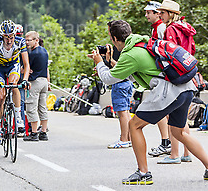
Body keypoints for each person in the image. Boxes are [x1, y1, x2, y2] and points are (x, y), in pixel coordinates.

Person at [89, 20, 208, 185]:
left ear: (114, 38)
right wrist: (107, 65)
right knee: (179, 132)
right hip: (186, 88)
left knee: (134, 125)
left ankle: (143, 172)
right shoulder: (143, 44)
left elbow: (109, 79)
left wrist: (99, 63)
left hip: (170, 92)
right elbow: (134, 73)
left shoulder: (130, 54)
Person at [157, 0, 196, 164]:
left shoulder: (171, 29)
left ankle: (174, 154)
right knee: (182, 116)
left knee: (172, 115)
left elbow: (169, 52)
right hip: (188, 72)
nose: (160, 15)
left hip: (176, 74)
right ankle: (186, 153)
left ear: (170, 13)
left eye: (163, 12)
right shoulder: (184, 28)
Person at [0, 20, 30, 146]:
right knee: (0, 97)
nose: (9, 41)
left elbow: (26, 64)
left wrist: (25, 80)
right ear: (2, 36)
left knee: (14, 85)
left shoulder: (20, 41)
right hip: (0, 67)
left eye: (11, 37)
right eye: (6, 38)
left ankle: (18, 118)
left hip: (13, 65)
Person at [99, 21, 133, 149]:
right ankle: (128, 138)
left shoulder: (119, 47)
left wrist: (106, 62)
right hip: (126, 83)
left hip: (121, 83)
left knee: (122, 112)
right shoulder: (125, 47)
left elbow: (119, 67)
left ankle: (124, 139)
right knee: (126, 111)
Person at [143, 1, 171, 157]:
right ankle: (169, 144)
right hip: (162, 73)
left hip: (163, 74)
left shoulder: (161, 28)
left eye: (149, 13)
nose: (146, 15)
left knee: (161, 108)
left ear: (157, 13)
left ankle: (166, 142)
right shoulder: (156, 28)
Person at [23, 31, 49, 142]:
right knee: (42, 107)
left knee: (31, 107)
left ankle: (33, 133)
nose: (27, 42)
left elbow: (26, 68)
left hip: (34, 82)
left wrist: (24, 71)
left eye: (30, 40)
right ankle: (43, 132)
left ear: (36, 40)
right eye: (26, 40)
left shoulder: (32, 53)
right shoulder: (44, 51)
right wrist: (48, 82)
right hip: (44, 81)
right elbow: (46, 68)